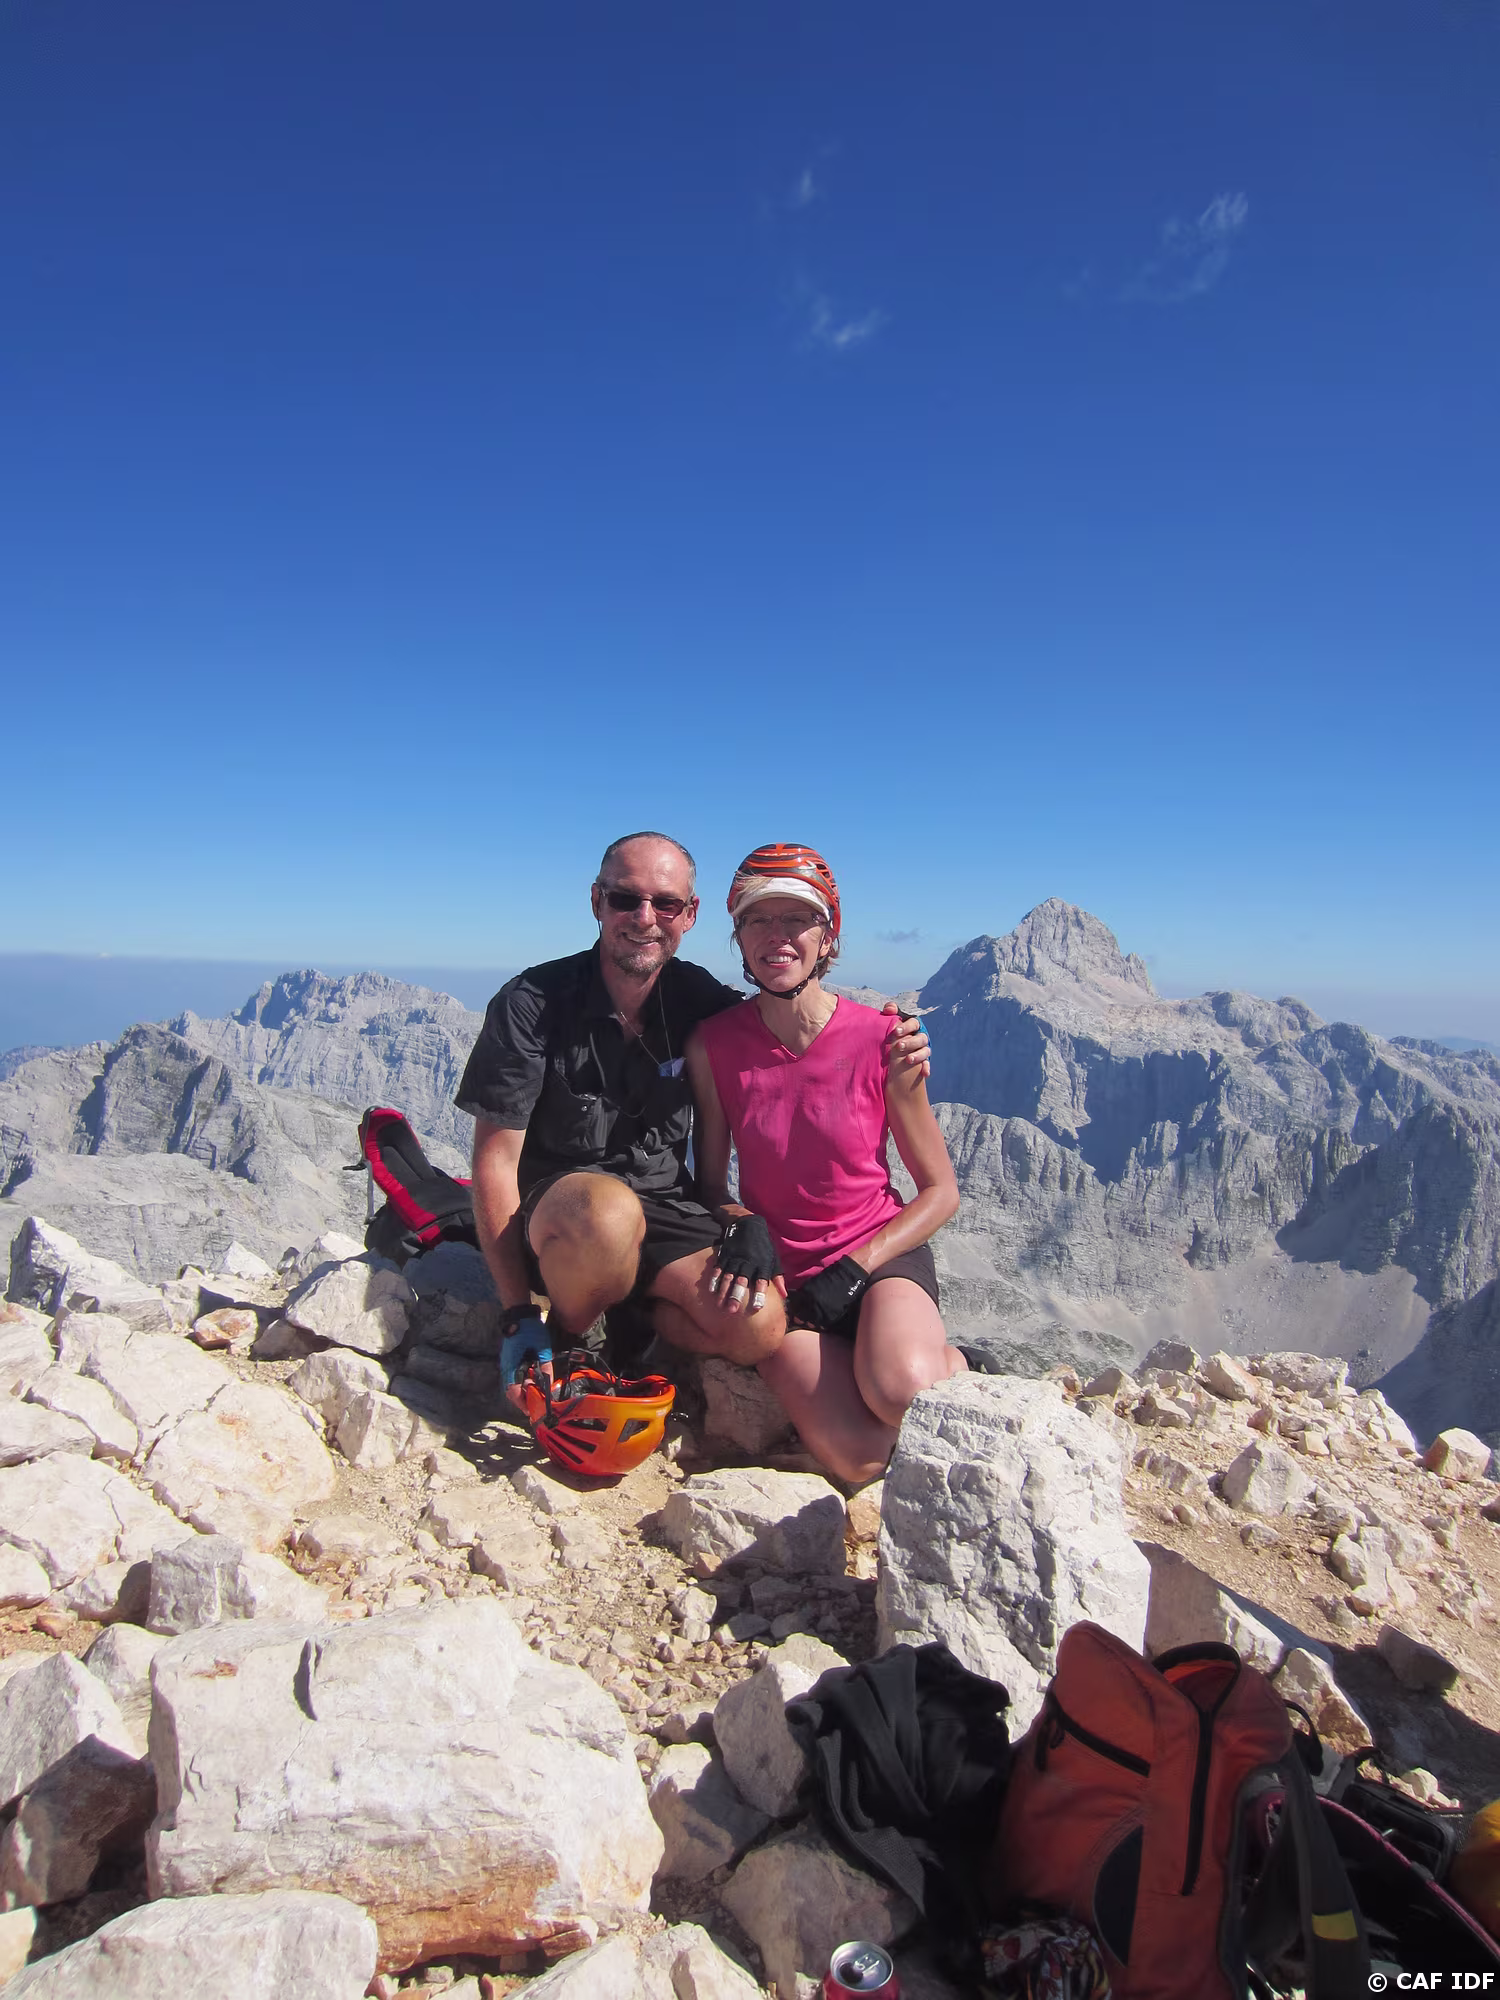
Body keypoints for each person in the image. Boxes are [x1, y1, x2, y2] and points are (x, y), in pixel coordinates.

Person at [454, 831, 931, 1408]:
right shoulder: (532, 1003)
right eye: (625, 899)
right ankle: (573, 1335)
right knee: (609, 1216)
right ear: (597, 902)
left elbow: (782, 1017)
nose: (645, 919)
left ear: (690, 914)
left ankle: (639, 1316)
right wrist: (516, 1312)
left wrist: (892, 1028)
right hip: (565, 1218)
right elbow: (495, 1162)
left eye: (666, 903)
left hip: (665, 1209)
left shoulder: (696, 999)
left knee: (759, 1325)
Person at [686, 843, 966, 1486]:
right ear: (738, 936)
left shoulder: (885, 1040)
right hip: (783, 1279)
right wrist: (740, 1223)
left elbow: (940, 1191)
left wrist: (857, 1266)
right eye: (758, 919)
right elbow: (709, 1182)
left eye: (798, 919)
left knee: (901, 1392)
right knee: (860, 1458)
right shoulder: (714, 1044)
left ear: (828, 936)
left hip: (879, 1254)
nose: (777, 935)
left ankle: (955, 1363)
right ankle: (874, 1356)